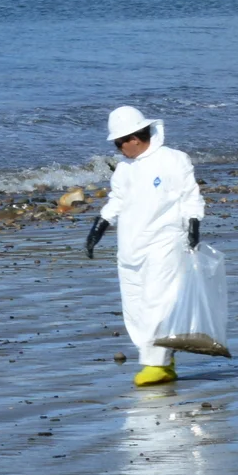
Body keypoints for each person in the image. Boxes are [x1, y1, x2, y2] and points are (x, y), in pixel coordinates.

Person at [86, 106, 205, 386]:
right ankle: (162, 359)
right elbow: (116, 201)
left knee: (157, 303)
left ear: (134, 138)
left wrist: (194, 226)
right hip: (130, 247)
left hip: (165, 243)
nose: (118, 148)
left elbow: (191, 195)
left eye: (119, 143)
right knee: (135, 306)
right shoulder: (125, 169)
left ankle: (155, 364)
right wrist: (97, 229)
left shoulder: (174, 160)